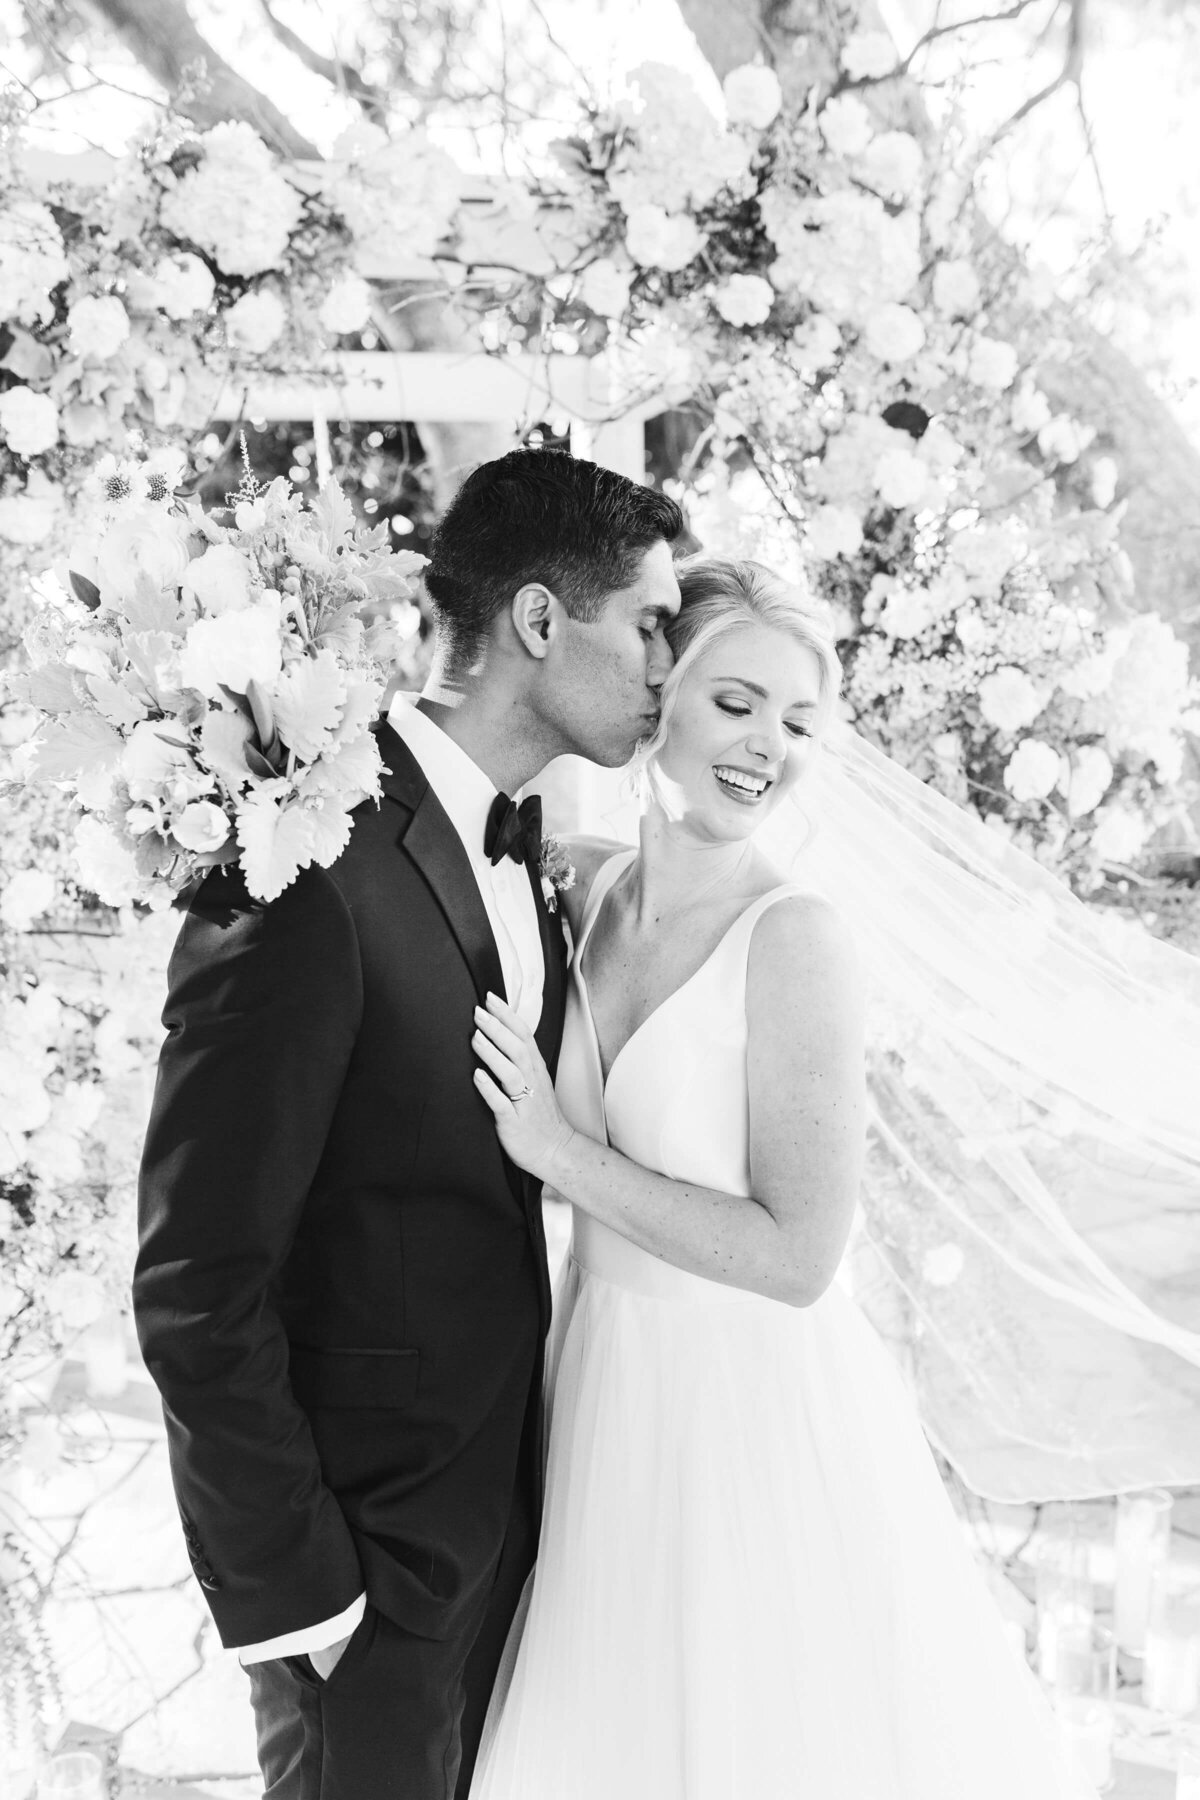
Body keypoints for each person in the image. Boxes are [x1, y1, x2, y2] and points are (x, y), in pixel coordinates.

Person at [468, 556, 1101, 1798]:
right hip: (601, 1377)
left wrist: (557, 1153)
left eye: (800, 723)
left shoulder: (796, 939)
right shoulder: (580, 887)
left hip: (743, 1405)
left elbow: (800, 1256)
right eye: (738, 703)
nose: (769, 746)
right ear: (662, 694)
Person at [132, 447, 683, 1800]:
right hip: (360, 1581)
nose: (671, 660)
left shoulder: (537, 859)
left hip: (504, 1537)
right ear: (541, 622)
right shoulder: (302, 853)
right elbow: (198, 1275)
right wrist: (302, 1601)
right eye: (653, 622)